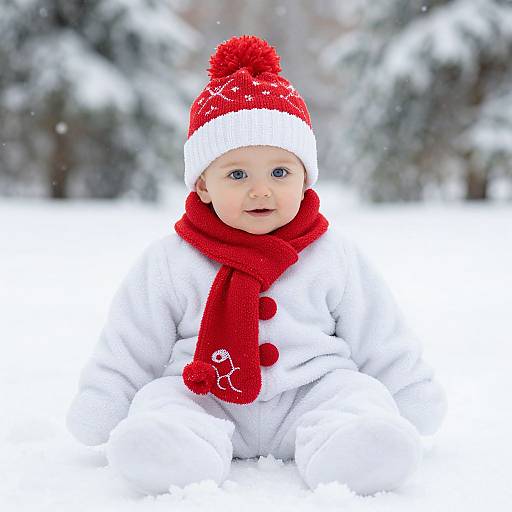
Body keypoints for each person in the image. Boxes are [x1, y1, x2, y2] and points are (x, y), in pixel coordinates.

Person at [66, 35, 447, 496]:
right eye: (238, 174)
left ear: (305, 177)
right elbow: (130, 342)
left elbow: (380, 333)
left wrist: (410, 393)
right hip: (207, 393)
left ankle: (354, 448)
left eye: (280, 172)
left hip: (311, 392)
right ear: (204, 185)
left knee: (355, 395)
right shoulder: (172, 259)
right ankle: (171, 451)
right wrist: (104, 402)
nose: (261, 190)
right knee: (163, 401)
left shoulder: (331, 254)